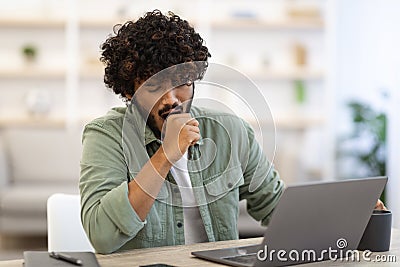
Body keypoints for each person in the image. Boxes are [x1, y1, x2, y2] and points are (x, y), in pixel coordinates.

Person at [79, 10, 384, 254]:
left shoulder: (230, 130)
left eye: (182, 83)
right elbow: (102, 236)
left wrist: (347, 218)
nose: (171, 99)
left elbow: (276, 207)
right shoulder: (106, 135)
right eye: (155, 87)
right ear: (129, 92)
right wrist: (165, 156)